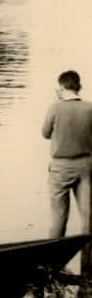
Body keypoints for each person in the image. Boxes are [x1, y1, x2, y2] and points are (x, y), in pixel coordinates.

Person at [41, 70, 92, 238]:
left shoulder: (55, 107)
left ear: (60, 88)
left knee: (59, 217)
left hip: (61, 167)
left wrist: (58, 103)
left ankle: (54, 262)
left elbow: (45, 133)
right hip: (86, 165)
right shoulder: (90, 107)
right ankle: (88, 262)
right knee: (88, 217)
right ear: (80, 87)